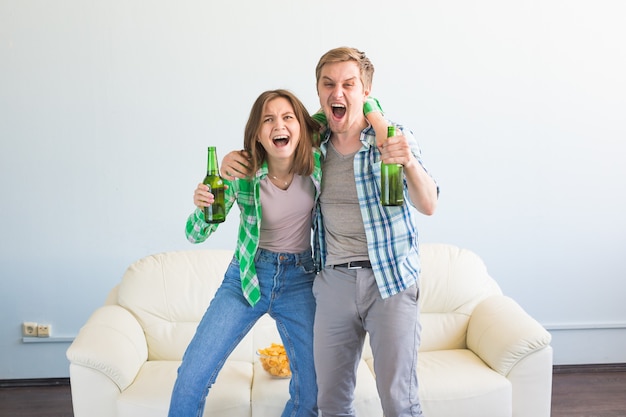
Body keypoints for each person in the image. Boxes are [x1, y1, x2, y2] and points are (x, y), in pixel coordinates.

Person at [169, 89, 387, 417]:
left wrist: (380, 124)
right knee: (192, 375)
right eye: (267, 119)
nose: (278, 125)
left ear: (301, 126)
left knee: (313, 388)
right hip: (247, 277)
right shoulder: (239, 170)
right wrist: (202, 207)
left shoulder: (315, 159)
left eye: (287, 117)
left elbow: (362, 104)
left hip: (301, 278)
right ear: (257, 133)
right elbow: (194, 234)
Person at [311, 46, 439, 417]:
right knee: (331, 403)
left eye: (349, 84)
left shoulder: (393, 138)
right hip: (334, 281)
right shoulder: (312, 147)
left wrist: (408, 161)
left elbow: (429, 204)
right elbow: (274, 140)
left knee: (398, 402)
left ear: (365, 92)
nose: (338, 92)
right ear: (319, 91)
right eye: (328, 84)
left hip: (392, 282)